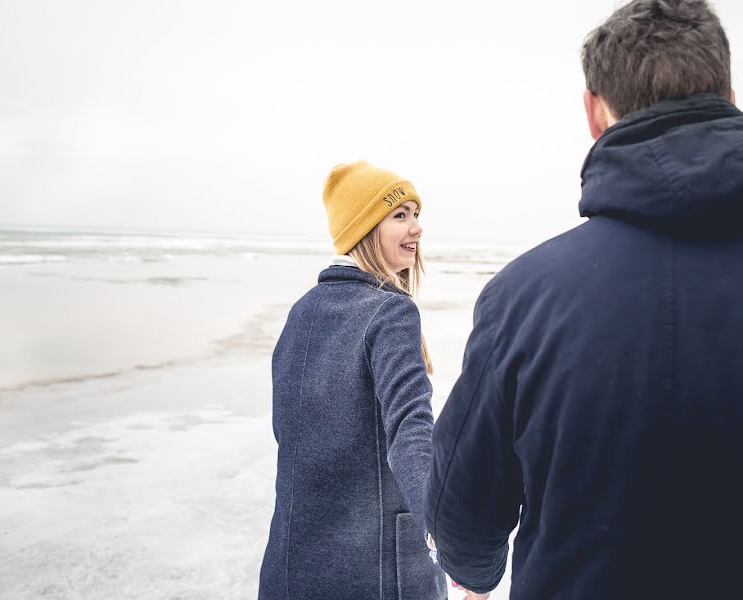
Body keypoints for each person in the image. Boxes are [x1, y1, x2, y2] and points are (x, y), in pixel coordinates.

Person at [423, 1, 743, 598]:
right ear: (729, 91)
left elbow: (462, 512)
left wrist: (474, 570)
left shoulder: (523, 297)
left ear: (594, 111)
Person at [258, 161, 447, 599]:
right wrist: (444, 531)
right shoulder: (391, 312)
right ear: (364, 227)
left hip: (292, 567)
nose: (416, 227)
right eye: (400, 215)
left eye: (416, 214)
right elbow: (411, 429)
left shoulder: (301, 312)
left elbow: (287, 436)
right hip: (378, 571)